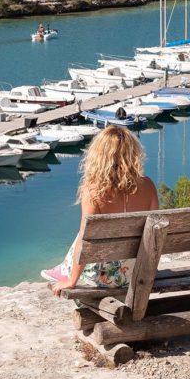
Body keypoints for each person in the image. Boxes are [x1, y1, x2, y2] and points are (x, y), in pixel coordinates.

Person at [42, 126, 158, 294]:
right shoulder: (148, 185)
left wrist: (72, 281)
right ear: (133, 153)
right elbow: (154, 232)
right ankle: (63, 268)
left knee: (83, 232)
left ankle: (64, 270)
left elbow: (85, 239)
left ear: (99, 156)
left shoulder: (94, 191)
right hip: (134, 272)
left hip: (101, 277)